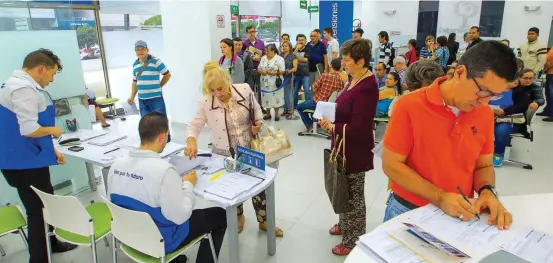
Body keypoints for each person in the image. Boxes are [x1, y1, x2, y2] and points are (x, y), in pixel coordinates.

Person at [381, 41, 517, 231]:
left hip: (460, 214)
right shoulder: (409, 105)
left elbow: (483, 164)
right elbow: (392, 165)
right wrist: (440, 197)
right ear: (460, 72)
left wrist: (487, 191)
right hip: (408, 211)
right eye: (483, 91)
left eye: (494, 95)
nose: (484, 101)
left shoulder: (484, 113)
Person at [108, 112, 227, 263]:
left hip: (127, 234)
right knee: (219, 215)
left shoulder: (116, 164)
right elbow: (181, 216)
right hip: (161, 241)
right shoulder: (164, 171)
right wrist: (188, 184)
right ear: (162, 137)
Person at [184, 61, 284, 237]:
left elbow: (257, 111)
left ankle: (264, 221)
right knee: (232, 189)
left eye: (220, 89)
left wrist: (257, 123)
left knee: (259, 187)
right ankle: (239, 217)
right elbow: (195, 124)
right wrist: (191, 140)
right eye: (212, 90)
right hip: (225, 154)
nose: (218, 94)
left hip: (250, 149)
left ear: (228, 80)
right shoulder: (206, 102)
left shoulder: (244, 89)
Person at [0, 49, 77, 263]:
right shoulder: (23, 88)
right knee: (38, 212)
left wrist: (52, 151)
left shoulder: (10, 83)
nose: (51, 80)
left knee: (42, 206)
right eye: (51, 74)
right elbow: (29, 129)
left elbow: (18, 130)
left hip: (21, 159)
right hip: (25, 163)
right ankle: (40, 259)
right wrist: (54, 131)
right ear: (41, 69)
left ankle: (52, 243)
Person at [319, 39, 378, 256]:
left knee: (354, 196)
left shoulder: (367, 86)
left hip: (354, 150)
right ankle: (344, 225)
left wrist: (333, 126)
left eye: (346, 60)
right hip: (342, 145)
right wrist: (329, 119)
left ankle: (353, 239)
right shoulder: (354, 78)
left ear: (361, 61)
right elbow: (345, 107)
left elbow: (360, 127)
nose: (342, 63)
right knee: (341, 188)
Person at [127, 40, 172, 141]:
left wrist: (160, 85)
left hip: (155, 98)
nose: (140, 51)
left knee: (161, 120)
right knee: (146, 122)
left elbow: (167, 74)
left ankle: (166, 139)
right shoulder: (135, 64)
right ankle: (151, 140)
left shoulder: (156, 61)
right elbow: (135, 82)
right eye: (137, 50)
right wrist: (132, 96)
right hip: (142, 99)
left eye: (142, 49)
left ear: (147, 49)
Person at [492, 69, 535, 167]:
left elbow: (522, 106)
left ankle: (498, 153)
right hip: (491, 116)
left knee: (501, 130)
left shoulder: (521, 91)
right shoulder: (495, 88)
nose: (515, 82)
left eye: (515, 80)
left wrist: (504, 111)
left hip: (511, 120)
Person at [297, 58, 345, 132]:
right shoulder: (341, 81)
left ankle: (310, 125)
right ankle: (316, 122)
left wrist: (318, 91)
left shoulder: (324, 76)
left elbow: (313, 88)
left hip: (318, 104)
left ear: (330, 65)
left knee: (299, 106)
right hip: (331, 108)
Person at [259, 44, 286, 121]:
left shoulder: (279, 59)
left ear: (273, 51)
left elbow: (282, 71)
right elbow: (259, 68)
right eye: (265, 50)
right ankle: (268, 114)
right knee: (266, 98)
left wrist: (273, 73)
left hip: (275, 83)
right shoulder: (263, 58)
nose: (266, 52)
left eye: (267, 50)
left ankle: (276, 115)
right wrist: (261, 71)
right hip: (265, 82)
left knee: (276, 98)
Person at [280, 41, 298, 117]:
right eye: (283, 46)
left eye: (286, 46)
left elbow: (295, 68)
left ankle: (290, 110)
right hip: (281, 78)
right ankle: (285, 109)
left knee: (288, 94)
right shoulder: (280, 56)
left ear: (290, 47)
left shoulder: (293, 56)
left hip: (289, 77)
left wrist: (289, 71)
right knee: (282, 94)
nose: (284, 47)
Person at [293, 34, 312, 106]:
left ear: (305, 41)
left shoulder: (308, 49)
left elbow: (305, 59)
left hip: (305, 74)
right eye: (299, 40)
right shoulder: (294, 49)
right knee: (295, 91)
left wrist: (296, 59)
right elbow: (291, 58)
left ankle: (307, 105)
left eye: (302, 40)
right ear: (297, 41)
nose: (301, 41)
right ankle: (294, 106)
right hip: (296, 74)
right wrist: (296, 49)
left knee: (307, 90)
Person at [539, 44, 553, 121]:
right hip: (550, 72)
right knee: (548, 93)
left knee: (551, 94)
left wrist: (544, 68)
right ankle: (547, 111)